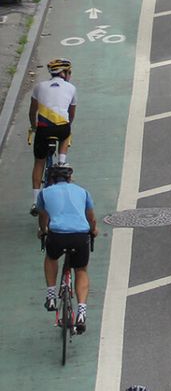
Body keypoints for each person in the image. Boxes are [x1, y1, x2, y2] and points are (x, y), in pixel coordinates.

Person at [37, 162, 98, 333]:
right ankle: (82, 312)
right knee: (81, 270)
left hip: (57, 235)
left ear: (51, 179)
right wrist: (94, 230)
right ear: (70, 178)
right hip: (80, 236)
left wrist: (43, 231)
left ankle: (50, 295)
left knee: (51, 257)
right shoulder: (82, 191)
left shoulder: (45, 193)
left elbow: (43, 218)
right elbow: (91, 218)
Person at [29, 58, 76, 216]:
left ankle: (35, 201)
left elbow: (32, 112)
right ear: (64, 73)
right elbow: (71, 114)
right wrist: (68, 125)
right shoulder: (71, 88)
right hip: (62, 128)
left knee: (39, 163)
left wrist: (33, 126)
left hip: (43, 129)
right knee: (66, 130)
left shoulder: (39, 87)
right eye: (69, 72)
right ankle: (62, 161)